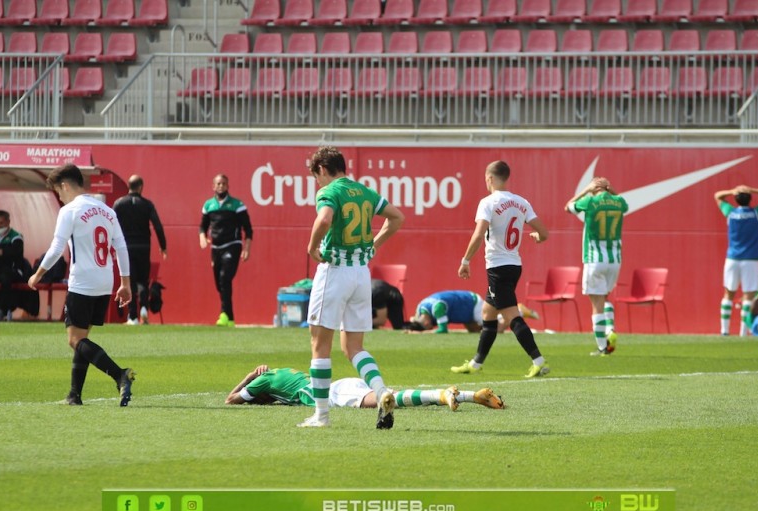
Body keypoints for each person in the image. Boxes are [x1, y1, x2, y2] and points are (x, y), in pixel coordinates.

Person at [302, 146, 404, 429]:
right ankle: (382, 391)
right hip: (361, 274)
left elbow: (323, 219)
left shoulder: (330, 192)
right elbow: (397, 217)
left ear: (322, 169)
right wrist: (374, 244)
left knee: (320, 346)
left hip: (335, 272)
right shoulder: (365, 192)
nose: (317, 182)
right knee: (354, 347)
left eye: (316, 176)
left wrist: (311, 248)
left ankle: (321, 416)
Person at [27, 164, 135, 407]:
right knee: (83, 338)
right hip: (104, 282)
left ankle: (120, 374)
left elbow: (56, 248)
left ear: (65, 185)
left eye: (58, 191)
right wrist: (125, 283)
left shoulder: (70, 211)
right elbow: (121, 247)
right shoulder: (108, 211)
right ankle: (74, 395)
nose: (60, 197)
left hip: (82, 281)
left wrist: (37, 274)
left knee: (74, 340)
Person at [451, 160, 550, 378]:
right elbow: (543, 232)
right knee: (488, 312)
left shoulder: (488, 202)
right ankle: (476, 363)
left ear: (490, 178)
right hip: (514, 265)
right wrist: (537, 236)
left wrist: (465, 260)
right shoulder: (521, 202)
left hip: (498, 266)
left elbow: (478, 235)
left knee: (511, 316)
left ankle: (538, 360)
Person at [225, 364, 505, 410]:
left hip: (335, 394)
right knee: (394, 397)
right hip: (343, 384)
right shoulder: (280, 374)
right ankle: (469, 395)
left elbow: (231, 400)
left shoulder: (262, 380)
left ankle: (443, 395)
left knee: (392, 400)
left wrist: (249, 376)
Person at [565, 176, 629, 356]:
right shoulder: (618, 201)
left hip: (595, 259)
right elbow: (624, 205)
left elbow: (568, 207)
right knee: (605, 297)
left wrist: (586, 190)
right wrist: (611, 190)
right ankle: (610, 330)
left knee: (596, 303)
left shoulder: (590, 201)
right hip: (614, 259)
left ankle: (603, 346)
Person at [714, 185, 758, 336]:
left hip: (732, 258)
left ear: (736, 200)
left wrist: (732, 191)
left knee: (728, 294)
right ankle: (743, 333)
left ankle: (724, 331)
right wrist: (753, 189)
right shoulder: (757, 213)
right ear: (750, 199)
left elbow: (717, 195)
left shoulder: (730, 212)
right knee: (748, 295)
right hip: (750, 259)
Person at [112, 174, 167, 326]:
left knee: (129, 282)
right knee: (143, 280)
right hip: (144, 247)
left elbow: (111, 224)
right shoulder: (147, 204)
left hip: (126, 247)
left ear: (129, 186)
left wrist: (112, 245)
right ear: (141, 187)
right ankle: (143, 308)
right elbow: (157, 225)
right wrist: (163, 246)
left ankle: (133, 317)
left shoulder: (119, 203)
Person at [199, 173, 253, 327]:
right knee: (220, 284)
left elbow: (248, 229)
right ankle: (230, 318)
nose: (221, 186)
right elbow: (202, 226)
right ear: (213, 186)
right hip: (216, 248)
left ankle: (223, 314)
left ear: (228, 186)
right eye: (218, 184)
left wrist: (246, 248)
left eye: (224, 183)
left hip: (233, 245)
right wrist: (202, 237)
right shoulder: (208, 205)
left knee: (224, 278)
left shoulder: (237, 205)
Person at [407, 290, 540, 333]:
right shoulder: (420, 309)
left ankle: (519, 311)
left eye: (428, 326)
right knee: (475, 330)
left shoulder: (437, 308)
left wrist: (423, 333)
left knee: (494, 329)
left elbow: (443, 330)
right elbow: (414, 320)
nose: (430, 327)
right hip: (464, 307)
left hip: (472, 304)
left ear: (424, 321)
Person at [0, 210, 26, 322]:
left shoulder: (16, 237)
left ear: (8, 222)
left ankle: (1, 310)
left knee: (5, 277)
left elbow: (13, 253)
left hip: (13, 270)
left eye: (1, 223)